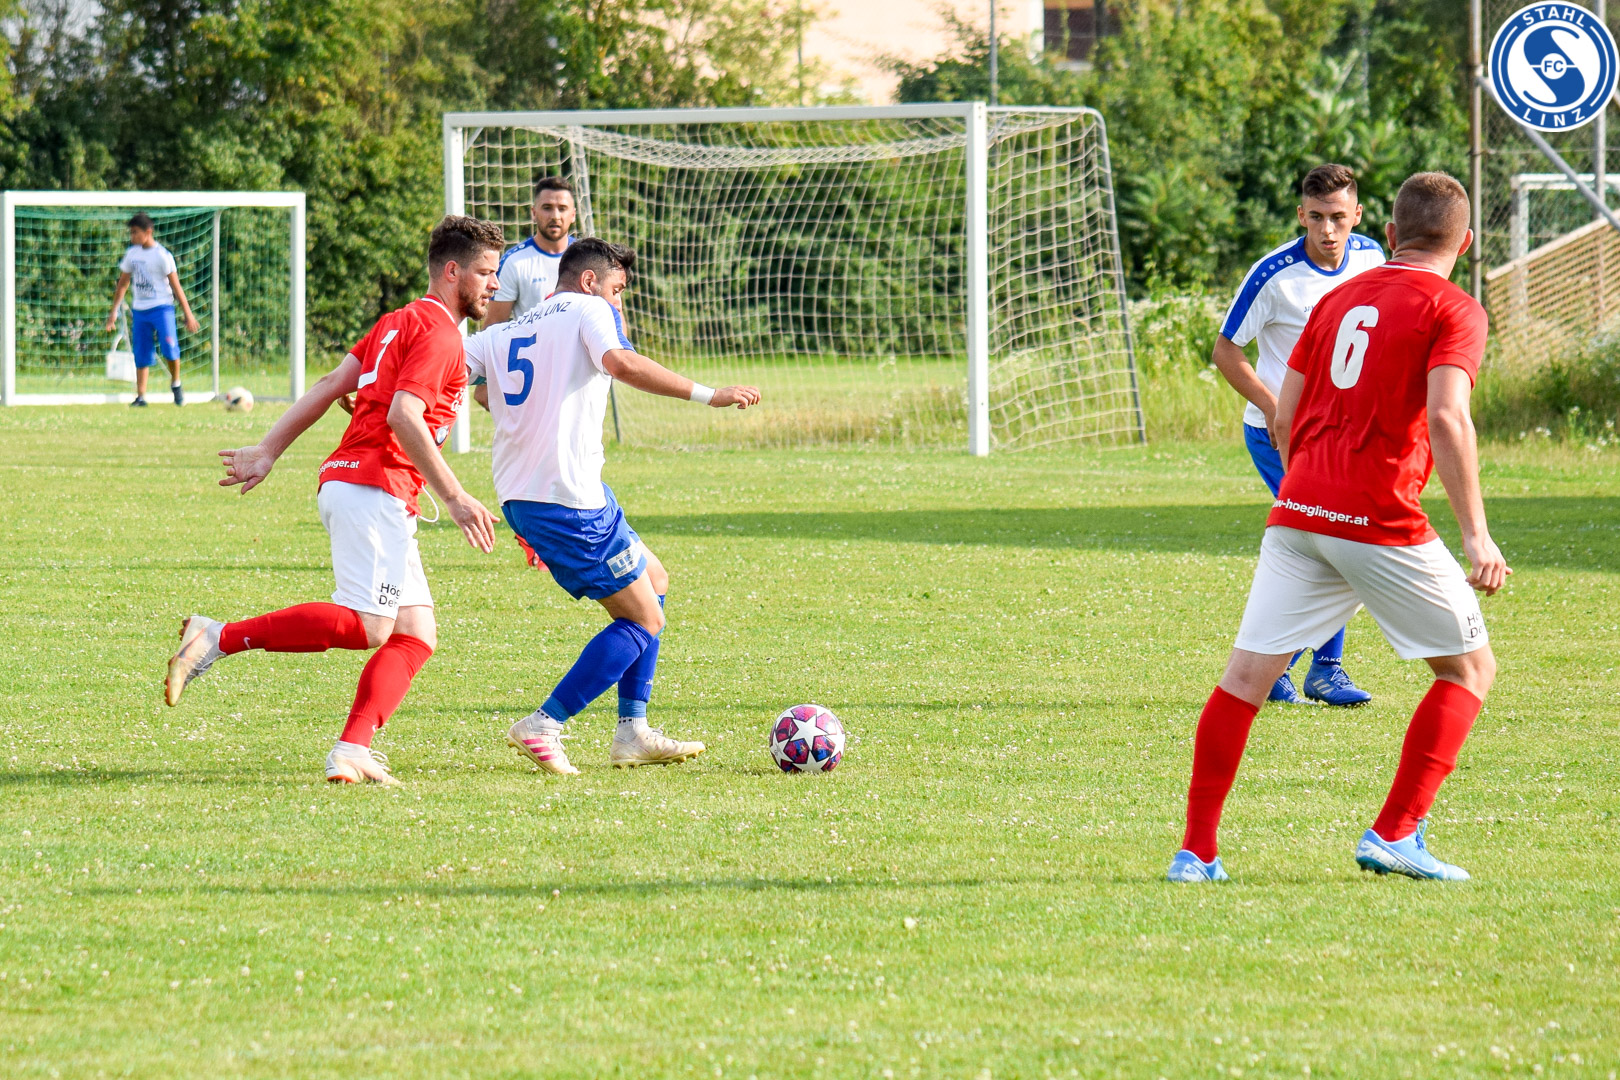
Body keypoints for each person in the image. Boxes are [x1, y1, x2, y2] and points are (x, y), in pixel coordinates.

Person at [1168, 172, 1507, 883]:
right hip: (1377, 515)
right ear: (1466, 243)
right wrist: (1476, 535)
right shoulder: (1456, 309)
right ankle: (1397, 833)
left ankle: (1196, 853)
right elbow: (1448, 415)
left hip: (1298, 508)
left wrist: (1309, 487)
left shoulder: (1336, 298)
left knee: (1244, 680)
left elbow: (1284, 414)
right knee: (1470, 669)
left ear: (1389, 233)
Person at [163, 216, 507, 785]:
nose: (494, 284)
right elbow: (403, 415)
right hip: (375, 487)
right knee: (370, 626)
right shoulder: (443, 335)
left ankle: (352, 749)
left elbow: (331, 385)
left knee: (415, 634)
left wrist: (268, 449)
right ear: (452, 271)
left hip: (361, 484)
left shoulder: (399, 320)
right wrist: (456, 496)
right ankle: (216, 637)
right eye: (486, 272)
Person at [462, 238, 760, 775]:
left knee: (655, 578)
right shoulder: (589, 309)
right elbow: (620, 362)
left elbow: (445, 377)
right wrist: (709, 394)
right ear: (589, 281)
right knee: (644, 619)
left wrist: (367, 394)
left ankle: (632, 732)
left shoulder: (500, 334)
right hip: (568, 502)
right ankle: (544, 724)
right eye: (617, 290)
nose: (618, 303)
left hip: (535, 496)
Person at [1214, 164, 1386, 707]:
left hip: (1343, 432)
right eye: (1316, 217)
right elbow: (1225, 351)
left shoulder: (1373, 257)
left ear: (1357, 214)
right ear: (1300, 216)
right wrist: (1273, 410)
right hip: (1281, 436)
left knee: (1329, 541)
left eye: (1338, 217)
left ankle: (1292, 668)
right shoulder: (1274, 275)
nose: (1328, 230)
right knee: (1328, 540)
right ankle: (1317, 668)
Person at [105, 212, 202, 407]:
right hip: (140, 310)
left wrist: (188, 314)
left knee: (169, 348)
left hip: (162, 309)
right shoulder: (132, 254)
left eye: (135, 232)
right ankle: (141, 396)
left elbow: (176, 286)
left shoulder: (162, 256)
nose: (132, 237)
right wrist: (113, 312)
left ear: (148, 232)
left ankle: (176, 383)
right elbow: (123, 284)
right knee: (141, 353)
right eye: (131, 233)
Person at [482, 175, 578, 326]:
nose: (555, 216)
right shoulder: (514, 262)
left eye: (562, 208)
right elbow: (493, 326)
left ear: (573, 215)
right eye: (547, 208)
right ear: (534, 213)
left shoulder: (587, 258)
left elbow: (610, 316)